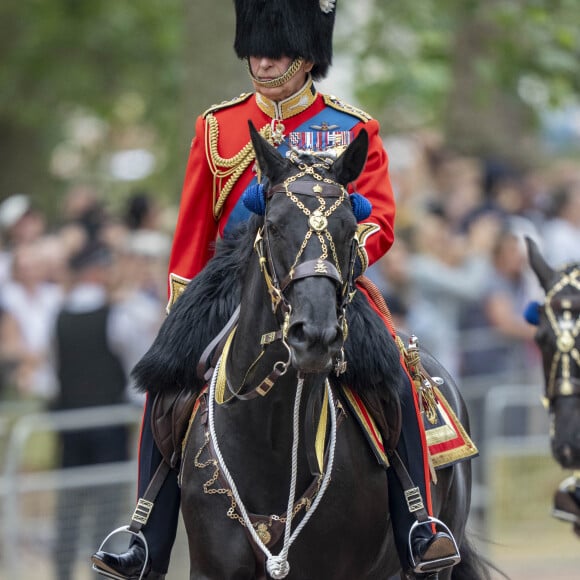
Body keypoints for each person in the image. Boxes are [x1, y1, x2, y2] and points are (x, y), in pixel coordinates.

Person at [92, 1, 460, 578]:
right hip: (231, 286)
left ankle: (418, 521)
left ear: (308, 55)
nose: (261, 63)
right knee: (165, 389)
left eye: (276, 53)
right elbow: (194, 229)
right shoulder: (217, 127)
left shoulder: (351, 127)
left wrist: (336, 260)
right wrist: (182, 312)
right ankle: (144, 535)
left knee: (394, 375)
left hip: (326, 281)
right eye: (256, 51)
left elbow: (380, 218)